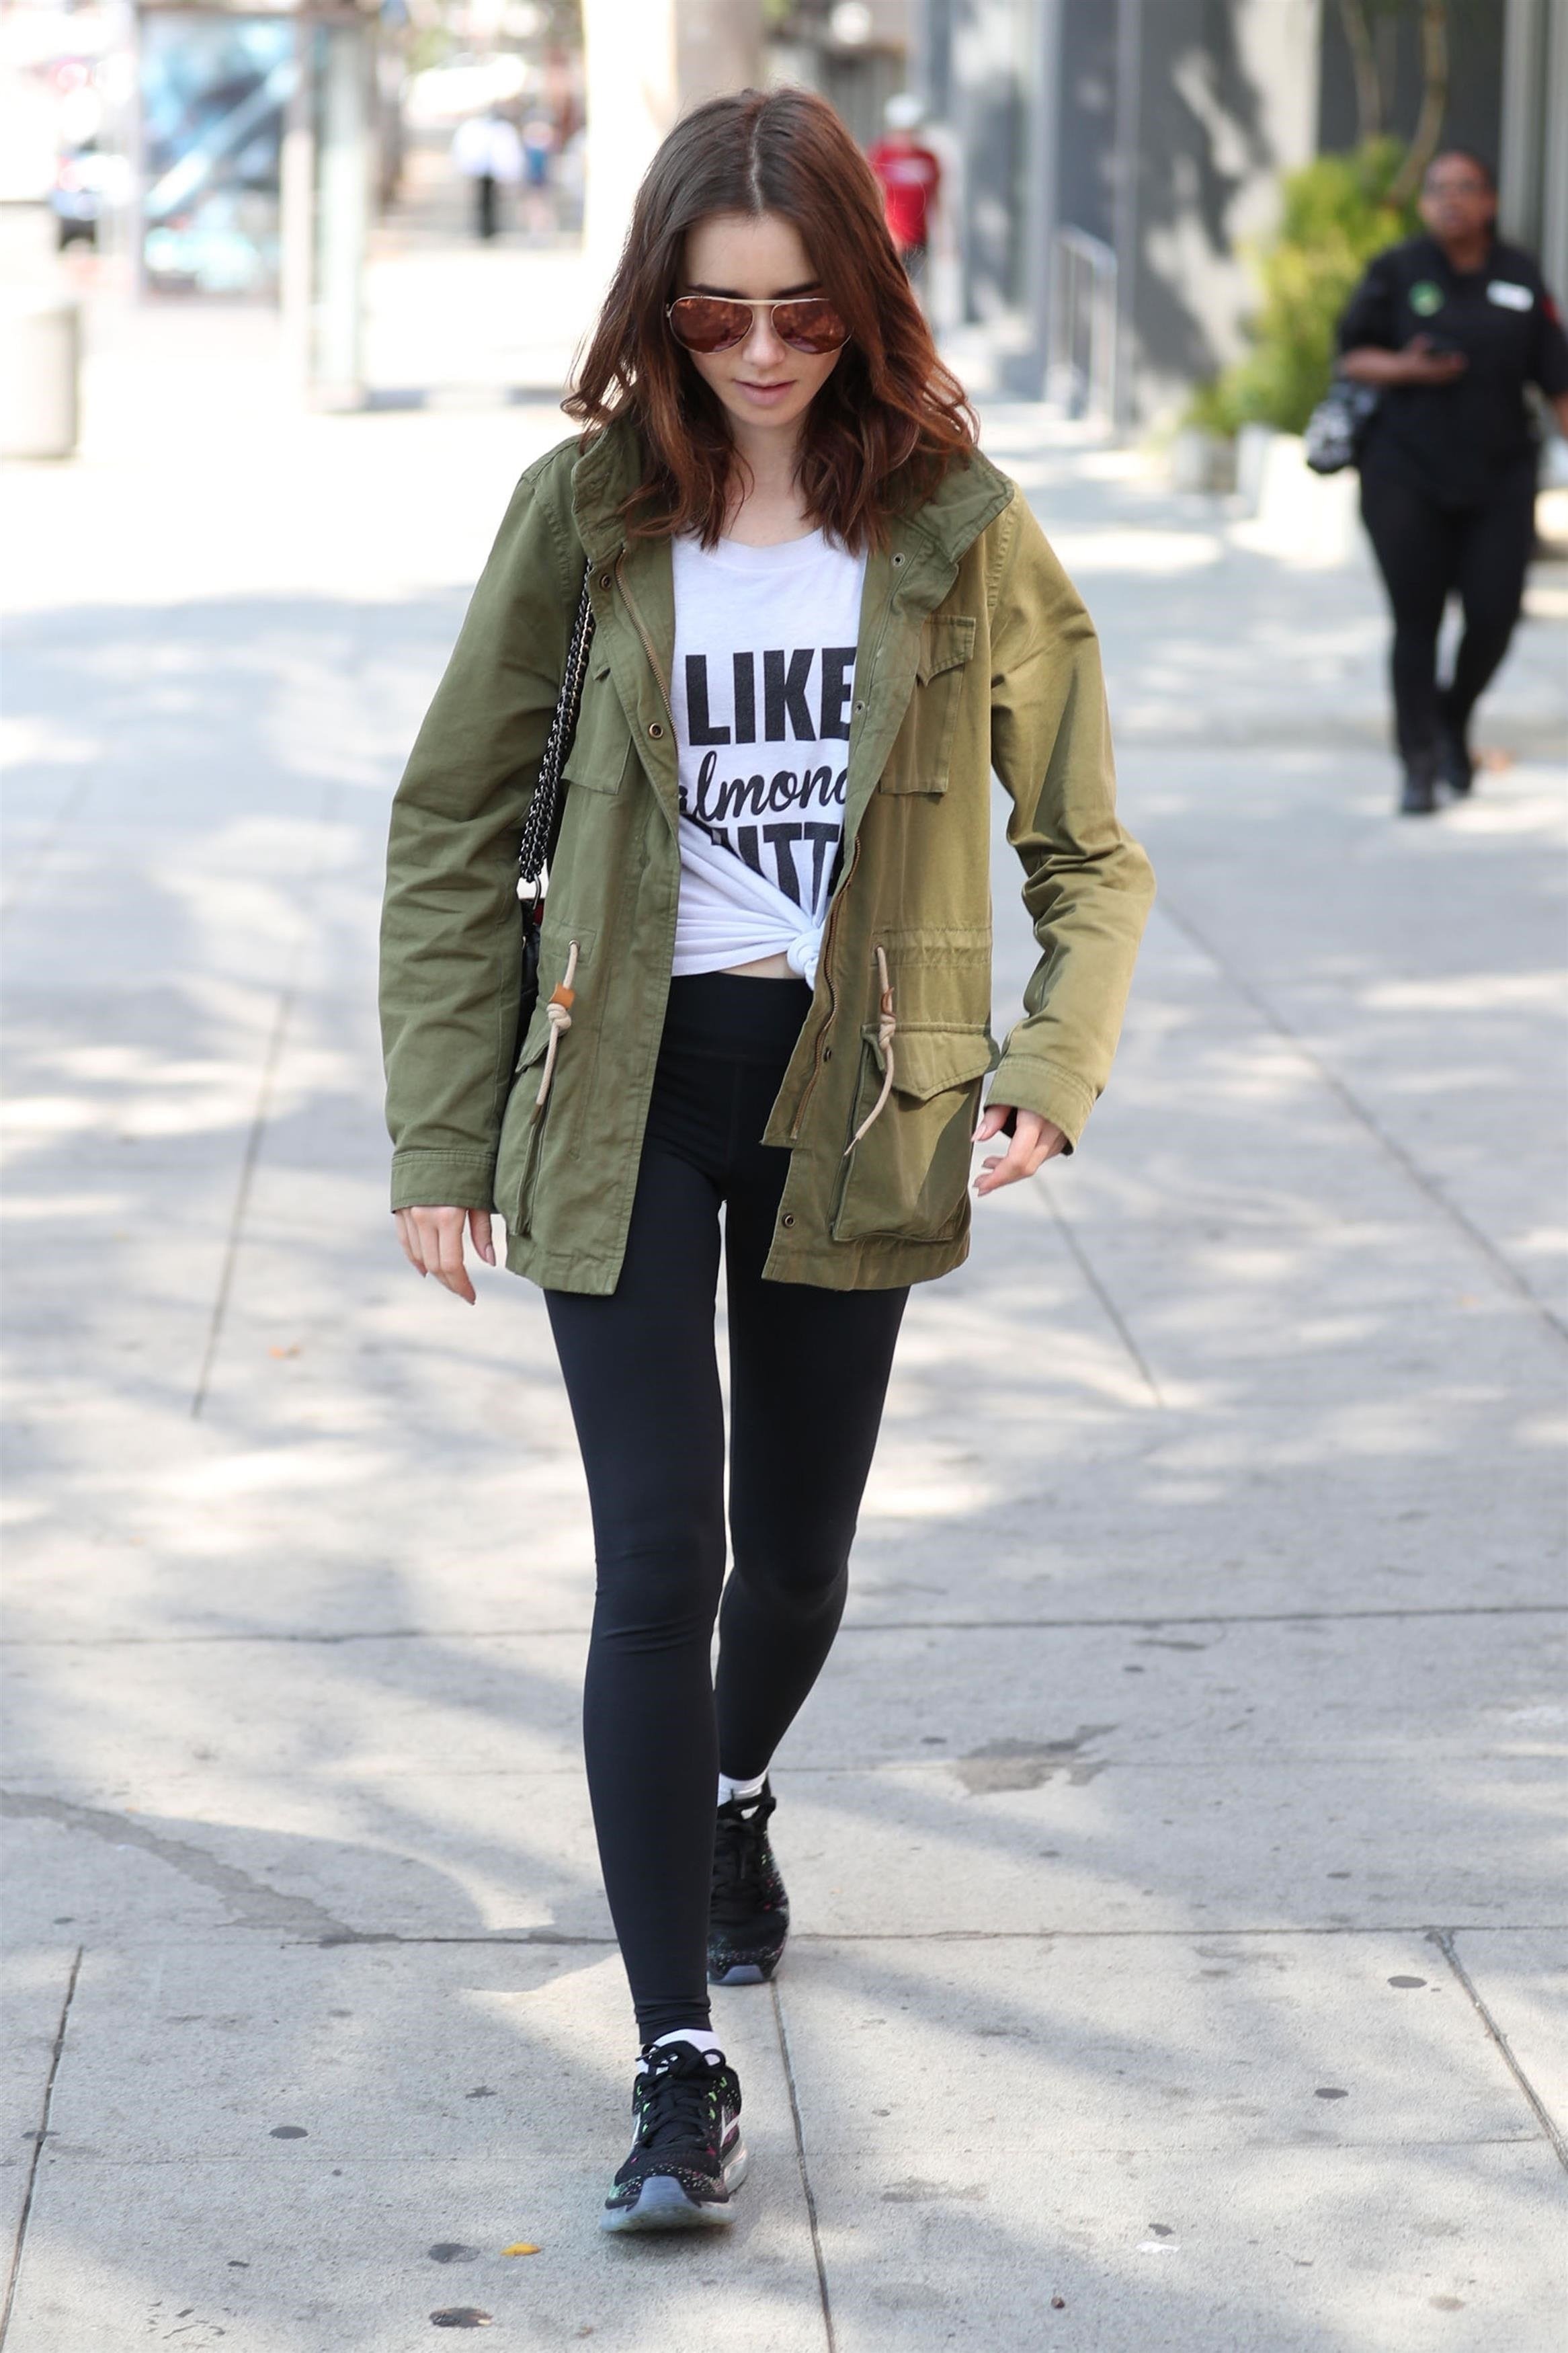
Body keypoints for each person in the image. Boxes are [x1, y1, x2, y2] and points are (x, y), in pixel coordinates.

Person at [380, 86, 1151, 2235]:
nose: (758, 350)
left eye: (802, 309)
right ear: (657, 308)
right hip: (623, 1078)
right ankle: (674, 2060)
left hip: (862, 1094)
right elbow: (451, 820)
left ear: (860, 301)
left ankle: (732, 1785)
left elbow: (1085, 846)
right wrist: (442, 1125)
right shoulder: (585, 512)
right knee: (660, 1554)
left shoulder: (958, 530)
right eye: (714, 313)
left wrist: (1051, 1060)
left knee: (794, 1565)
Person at [1338, 148, 1568, 814]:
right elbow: (1352, 356)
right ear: (1423, 203)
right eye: (1438, 188)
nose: (1451, 199)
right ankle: (1417, 766)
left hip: (1498, 478)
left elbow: (1556, 381)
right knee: (1415, 623)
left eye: (1465, 188)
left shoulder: (1519, 275)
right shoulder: (1396, 270)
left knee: (1494, 616)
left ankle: (1453, 716)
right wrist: (1406, 369)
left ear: (1489, 201)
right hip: (1403, 475)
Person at [867, 93, 942, 284]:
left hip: (920, 240)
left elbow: (937, 202)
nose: (907, 137)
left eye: (912, 131)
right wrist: (887, 233)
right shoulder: (881, 155)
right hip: (891, 240)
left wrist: (944, 238)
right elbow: (875, 197)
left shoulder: (929, 159)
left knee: (919, 291)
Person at [452, 105, 523, 241]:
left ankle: (491, 229)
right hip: (479, 170)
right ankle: (482, 229)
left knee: (494, 201)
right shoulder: (474, 128)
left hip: (495, 171)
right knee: (481, 200)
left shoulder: (502, 129)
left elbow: (509, 152)